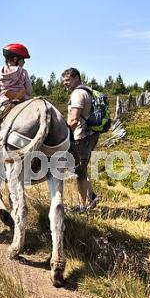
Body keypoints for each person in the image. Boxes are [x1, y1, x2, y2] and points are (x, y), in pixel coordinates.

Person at [62, 67, 100, 213]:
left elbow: (74, 119)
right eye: (64, 81)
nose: (65, 84)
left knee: (79, 173)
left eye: (68, 80)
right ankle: (92, 197)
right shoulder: (87, 91)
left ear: (76, 78)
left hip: (80, 137)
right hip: (91, 135)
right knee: (81, 169)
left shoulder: (77, 93)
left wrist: (65, 135)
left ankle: (82, 206)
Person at [0, 43, 33, 129]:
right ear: (15, 59)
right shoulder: (24, 72)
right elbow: (30, 91)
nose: (24, 61)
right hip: (24, 104)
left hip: (5, 106)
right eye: (23, 59)